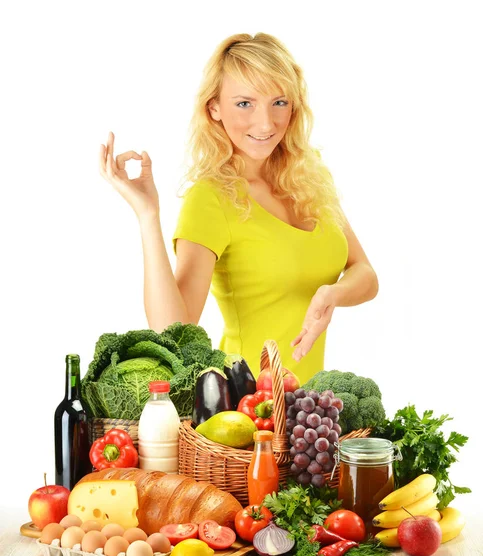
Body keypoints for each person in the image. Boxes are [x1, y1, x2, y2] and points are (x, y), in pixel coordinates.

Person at [98, 32, 379, 384]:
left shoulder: (311, 178)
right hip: (244, 414)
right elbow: (172, 331)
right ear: (213, 107)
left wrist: (332, 294)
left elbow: (366, 275)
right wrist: (147, 215)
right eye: (245, 103)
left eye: (279, 102)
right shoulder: (212, 198)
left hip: (309, 410)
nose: (265, 123)